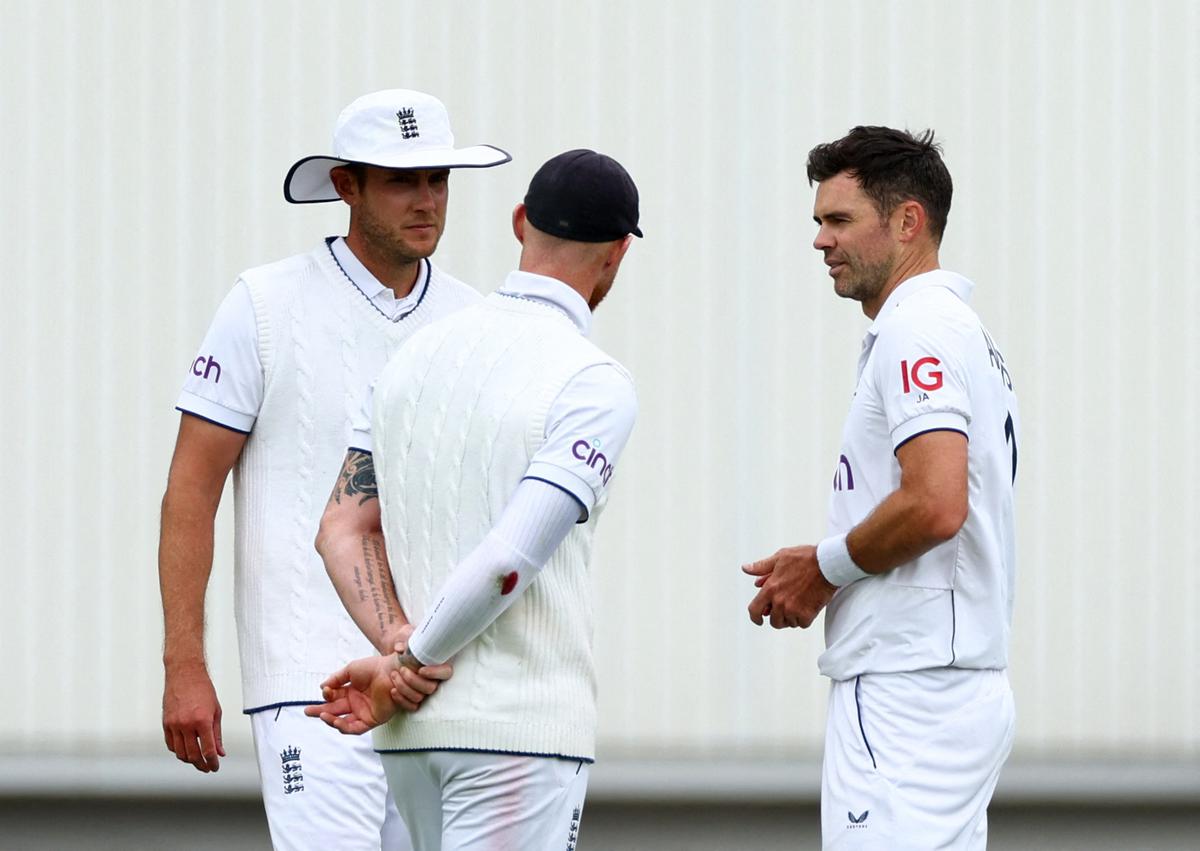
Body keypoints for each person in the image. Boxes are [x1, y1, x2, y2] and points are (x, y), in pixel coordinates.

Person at [158, 88, 510, 851]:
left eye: (439, 179)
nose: (427, 200)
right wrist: (185, 663)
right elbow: (191, 488)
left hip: (437, 686)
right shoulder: (262, 304)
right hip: (307, 687)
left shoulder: (477, 320)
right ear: (346, 187)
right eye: (400, 180)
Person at [306, 149, 642, 851]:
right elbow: (509, 559)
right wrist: (407, 660)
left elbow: (342, 526)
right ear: (617, 255)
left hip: (412, 731)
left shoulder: (412, 357)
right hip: (518, 732)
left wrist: (398, 642)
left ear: (520, 223)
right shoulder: (593, 381)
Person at [743, 126, 1019, 849]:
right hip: (955, 680)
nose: (820, 241)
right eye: (818, 222)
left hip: (909, 685)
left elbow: (935, 502)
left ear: (907, 222)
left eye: (839, 220)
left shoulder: (917, 329)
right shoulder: (957, 330)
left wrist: (823, 568)